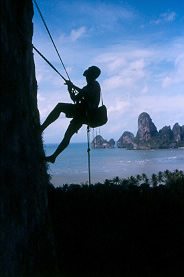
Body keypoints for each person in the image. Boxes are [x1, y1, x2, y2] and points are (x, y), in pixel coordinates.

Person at [41, 66, 101, 163]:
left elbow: (76, 98)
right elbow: (80, 95)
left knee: (60, 106)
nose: (86, 78)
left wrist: (71, 88)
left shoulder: (92, 87)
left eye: (87, 76)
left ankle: (41, 128)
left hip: (82, 114)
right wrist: (72, 87)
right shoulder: (94, 85)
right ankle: (53, 157)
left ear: (91, 76)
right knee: (67, 135)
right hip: (83, 115)